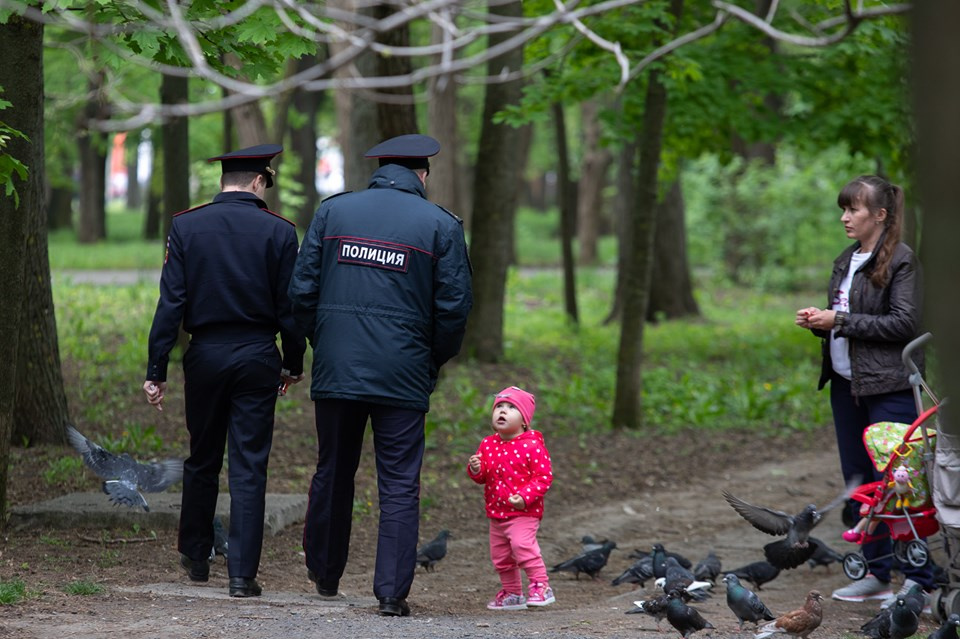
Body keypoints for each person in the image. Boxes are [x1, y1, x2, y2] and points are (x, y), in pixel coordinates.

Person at [289, 133, 473, 617]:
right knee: (398, 482)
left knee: (333, 470)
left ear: (379, 170)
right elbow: (454, 310)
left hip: (338, 367)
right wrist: (430, 361)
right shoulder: (441, 225)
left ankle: (325, 575)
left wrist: (322, 342)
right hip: (403, 374)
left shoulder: (333, 213)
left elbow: (301, 291)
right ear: (423, 174)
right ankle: (391, 594)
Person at [143, 144, 306, 598]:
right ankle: (241, 575)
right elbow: (288, 310)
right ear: (259, 182)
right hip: (257, 355)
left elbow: (170, 303)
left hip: (206, 355)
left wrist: (157, 368)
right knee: (249, 467)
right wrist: (293, 363)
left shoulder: (186, 225)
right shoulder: (279, 231)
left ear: (223, 181)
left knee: (203, 458)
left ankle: (196, 557)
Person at [794, 174, 930, 606]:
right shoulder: (846, 259)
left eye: (853, 209)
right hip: (846, 387)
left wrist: (839, 321)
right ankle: (876, 573)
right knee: (859, 483)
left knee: (897, 481)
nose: (845, 217)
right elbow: (847, 316)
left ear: (881, 215)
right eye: (845, 208)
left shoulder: (903, 262)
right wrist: (821, 322)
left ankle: (919, 579)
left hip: (888, 386)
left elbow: (905, 324)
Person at [467, 386, 555, 611]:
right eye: (499, 407)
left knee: (522, 546)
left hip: (524, 512)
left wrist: (524, 498)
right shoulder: (488, 444)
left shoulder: (532, 445)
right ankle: (513, 593)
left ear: (525, 420)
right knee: (500, 556)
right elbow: (483, 477)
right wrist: (476, 469)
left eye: (511, 407)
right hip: (496, 512)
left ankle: (541, 586)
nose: (502, 411)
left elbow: (543, 478)